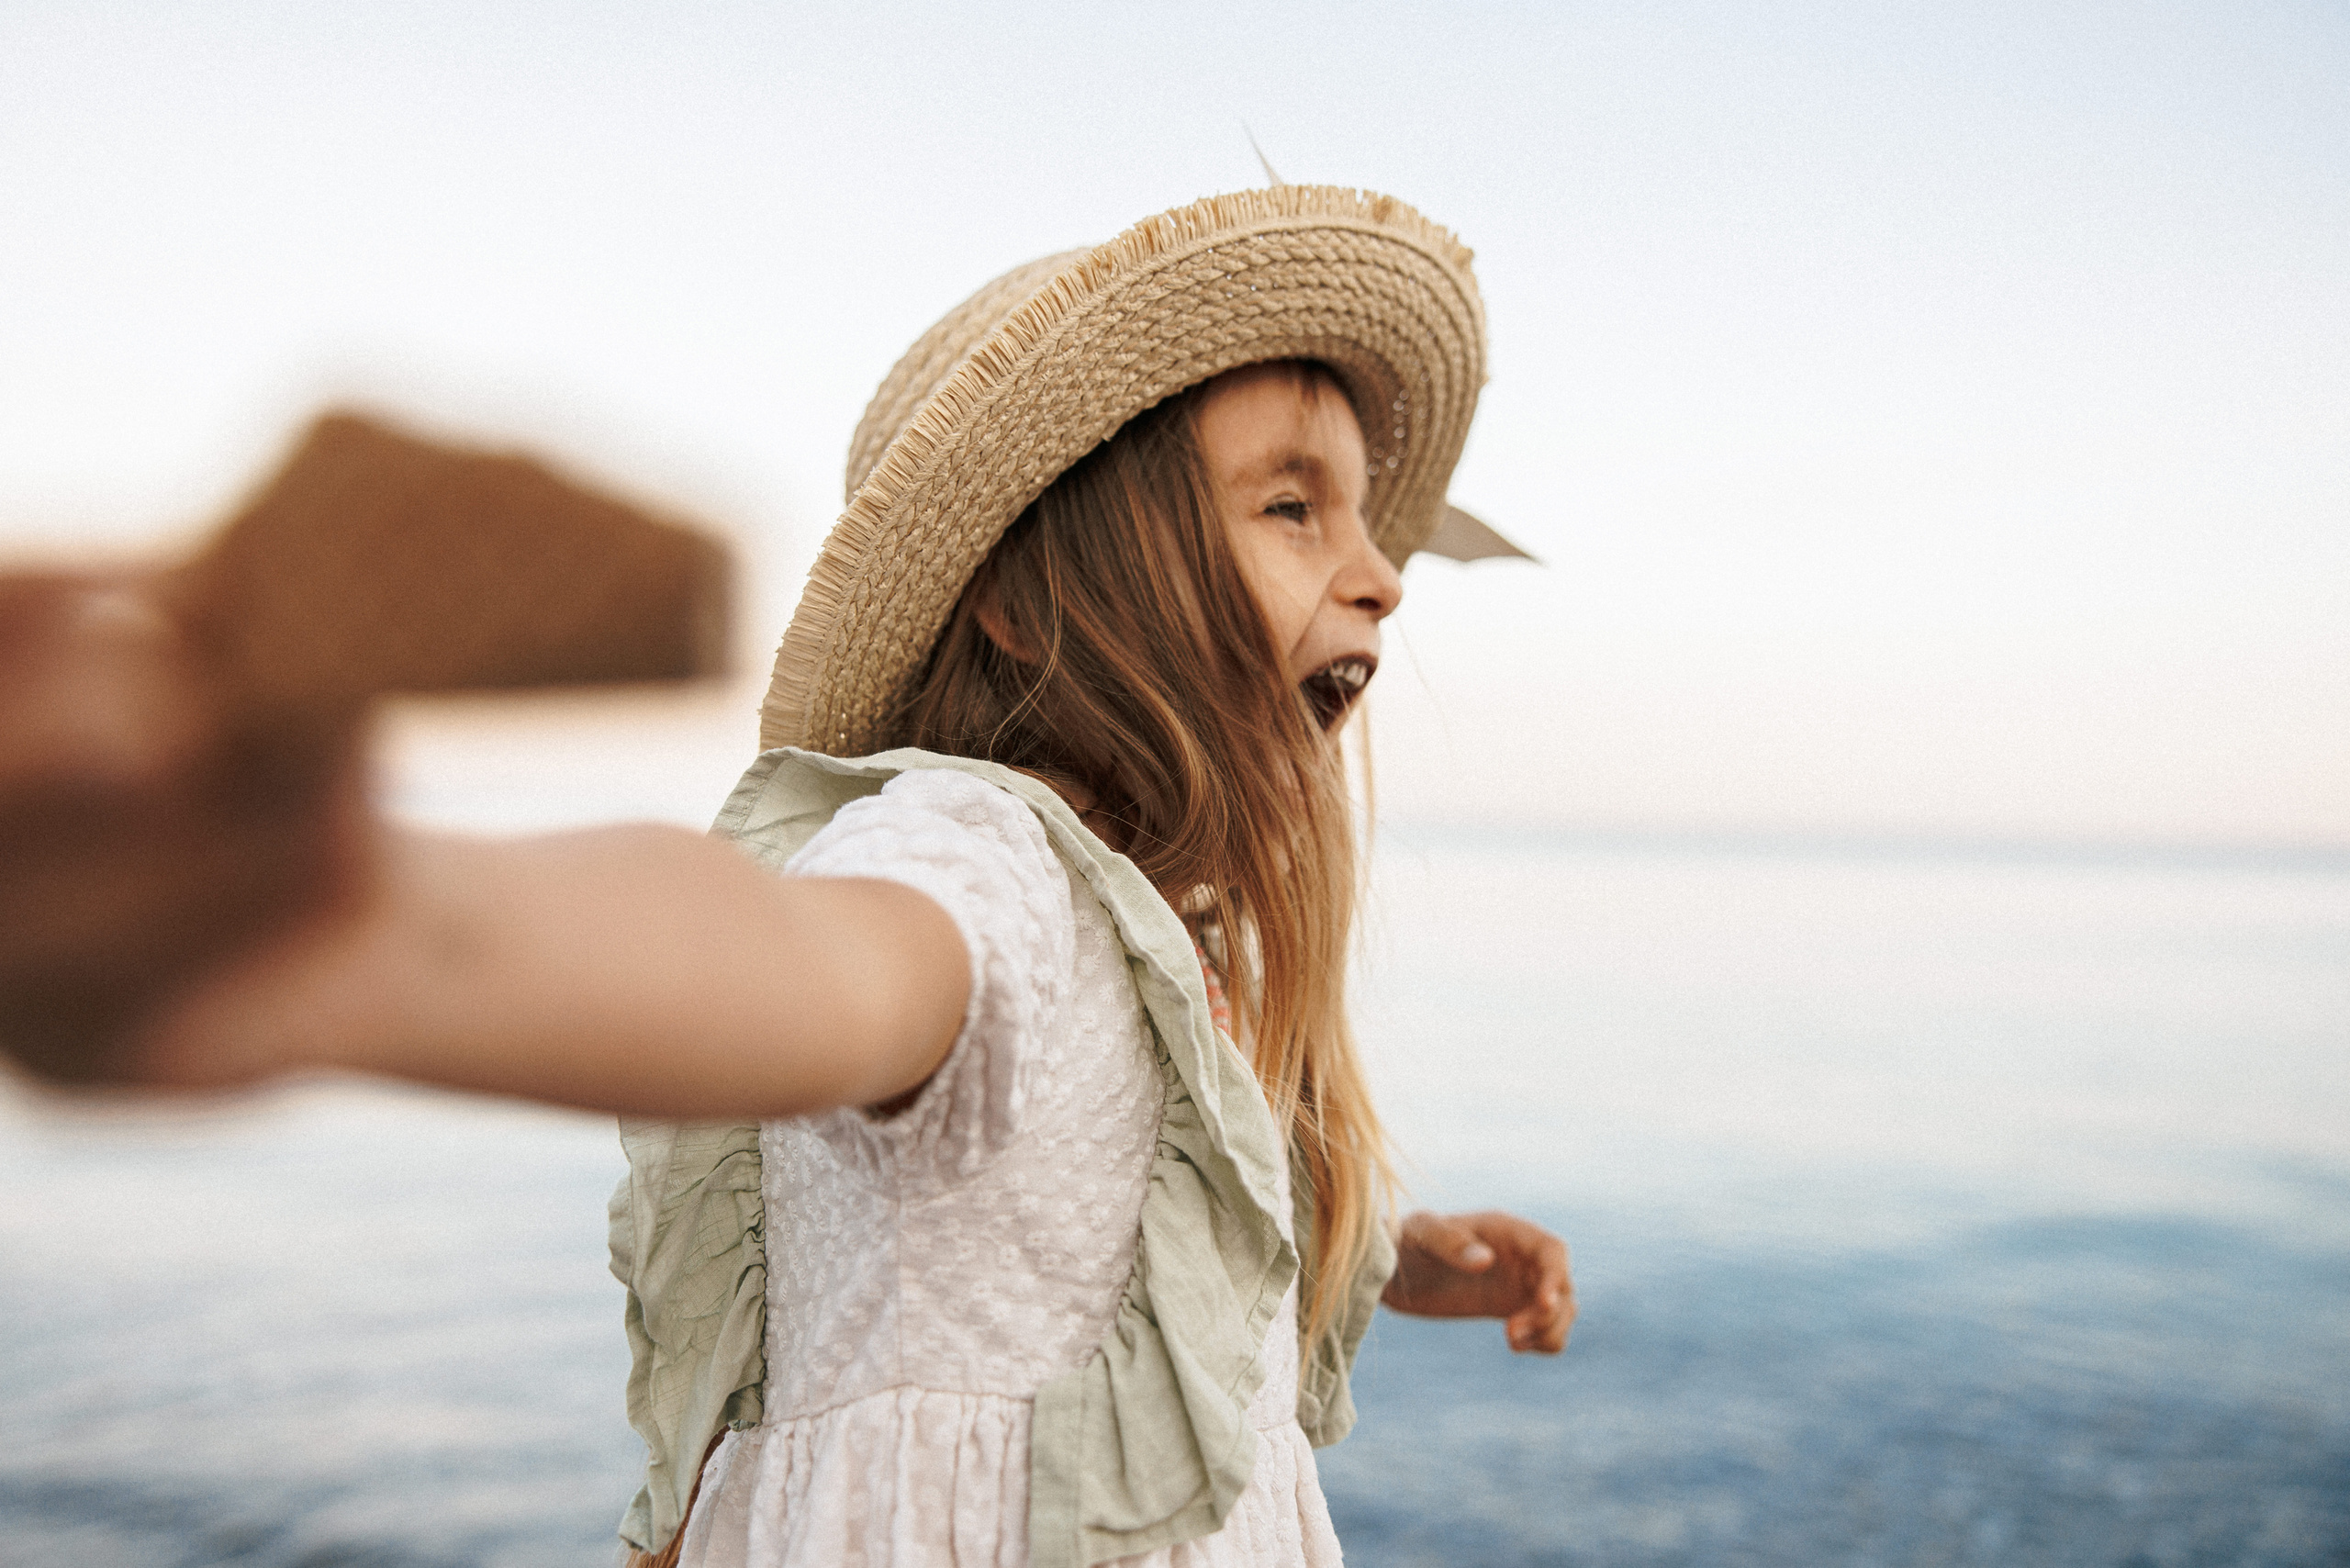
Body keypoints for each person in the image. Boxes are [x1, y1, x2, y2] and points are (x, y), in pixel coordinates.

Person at [0, 186, 1572, 1568]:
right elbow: (792, 961)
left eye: (1373, 524)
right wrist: (378, 928)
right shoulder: (981, 857)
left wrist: (1402, 1255)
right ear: (1030, 607)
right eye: (1294, 506)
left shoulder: (1180, 939)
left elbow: (1182, 1219)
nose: (1376, 572)